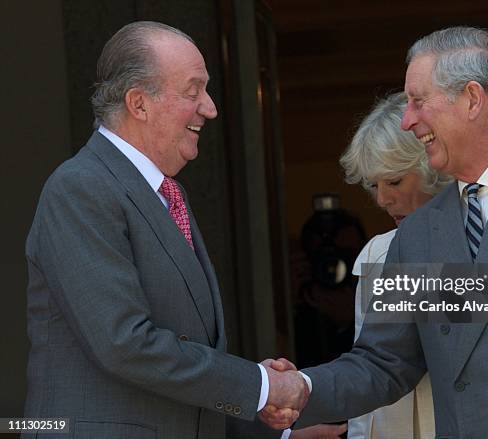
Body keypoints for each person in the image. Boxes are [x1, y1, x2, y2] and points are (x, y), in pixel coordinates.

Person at [262, 26, 488, 438]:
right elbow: (384, 363)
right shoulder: (416, 235)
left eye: (418, 101)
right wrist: (299, 388)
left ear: (471, 99)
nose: (408, 120)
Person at [24, 21, 308, 439]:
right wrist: (260, 386)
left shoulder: (163, 193)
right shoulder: (81, 187)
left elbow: (182, 360)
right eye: (193, 91)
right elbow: (127, 345)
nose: (209, 107)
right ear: (139, 103)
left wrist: (273, 430)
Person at [339, 92, 452, 438]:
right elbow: (369, 370)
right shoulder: (377, 254)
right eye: (375, 185)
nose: (383, 199)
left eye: (395, 180)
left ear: (429, 165)